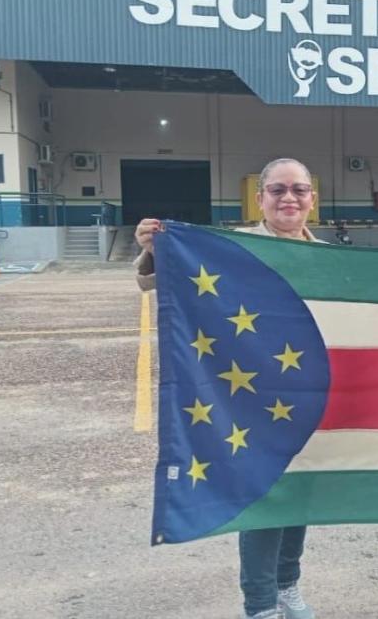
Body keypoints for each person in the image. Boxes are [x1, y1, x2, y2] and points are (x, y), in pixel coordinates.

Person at [134, 158, 322, 619]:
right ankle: (260, 605)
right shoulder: (232, 248)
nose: (289, 198)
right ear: (259, 199)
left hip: (306, 398)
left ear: (312, 199)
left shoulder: (328, 257)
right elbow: (160, 281)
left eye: (299, 189)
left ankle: (287, 585)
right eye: (277, 190)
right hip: (249, 401)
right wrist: (155, 250)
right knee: (262, 499)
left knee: (299, 495)